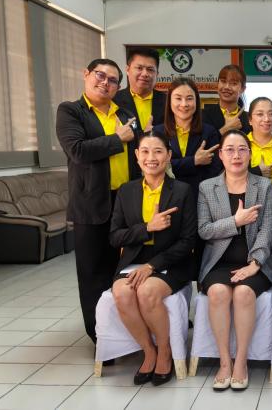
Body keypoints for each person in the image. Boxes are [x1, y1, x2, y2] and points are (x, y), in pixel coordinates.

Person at [56, 58, 141, 344]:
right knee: (93, 274)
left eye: (112, 80)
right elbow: (77, 150)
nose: (105, 83)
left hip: (126, 204)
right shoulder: (71, 111)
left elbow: (138, 156)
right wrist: (117, 139)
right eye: (100, 75)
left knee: (124, 271)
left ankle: (127, 329)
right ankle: (100, 337)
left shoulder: (125, 114)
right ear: (86, 74)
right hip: (92, 205)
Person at [109, 132, 196, 386]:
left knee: (147, 292)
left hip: (171, 261)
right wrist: (148, 227)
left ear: (168, 156)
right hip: (134, 259)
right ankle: (149, 350)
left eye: (158, 151)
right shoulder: (126, 191)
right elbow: (115, 236)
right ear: (137, 156)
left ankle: (165, 351)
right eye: (145, 151)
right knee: (122, 293)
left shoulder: (182, 191)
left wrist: (152, 266)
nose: (151, 157)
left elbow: (189, 240)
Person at [197, 129, 272, 391]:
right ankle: (225, 362)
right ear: (220, 155)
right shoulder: (207, 187)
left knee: (243, 293)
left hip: (255, 260)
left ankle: (241, 361)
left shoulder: (263, 186)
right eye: (230, 150)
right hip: (219, 262)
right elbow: (204, 230)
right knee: (218, 293)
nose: (236, 155)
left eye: (242, 149)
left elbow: (268, 228)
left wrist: (255, 264)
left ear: (250, 154)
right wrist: (236, 221)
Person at [153, 77, 222, 200]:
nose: (184, 104)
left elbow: (214, 169)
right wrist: (194, 161)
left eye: (189, 98)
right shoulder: (158, 132)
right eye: (178, 98)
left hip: (200, 196)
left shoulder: (209, 132)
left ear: (196, 101)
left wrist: (174, 165)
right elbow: (157, 166)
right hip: (166, 196)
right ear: (169, 101)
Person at [113, 47, 167, 132]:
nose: (145, 74)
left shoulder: (168, 101)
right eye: (139, 68)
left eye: (150, 69)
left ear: (157, 74)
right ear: (127, 70)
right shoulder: (113, 101)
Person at [203, 65, 251, 135]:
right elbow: (201, 141)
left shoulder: (249, 119)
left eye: (233, 83)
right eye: (223, 81)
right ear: (217, 84)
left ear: (242, 89)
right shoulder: (203, 115)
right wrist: (226, 129)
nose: (227, 87)